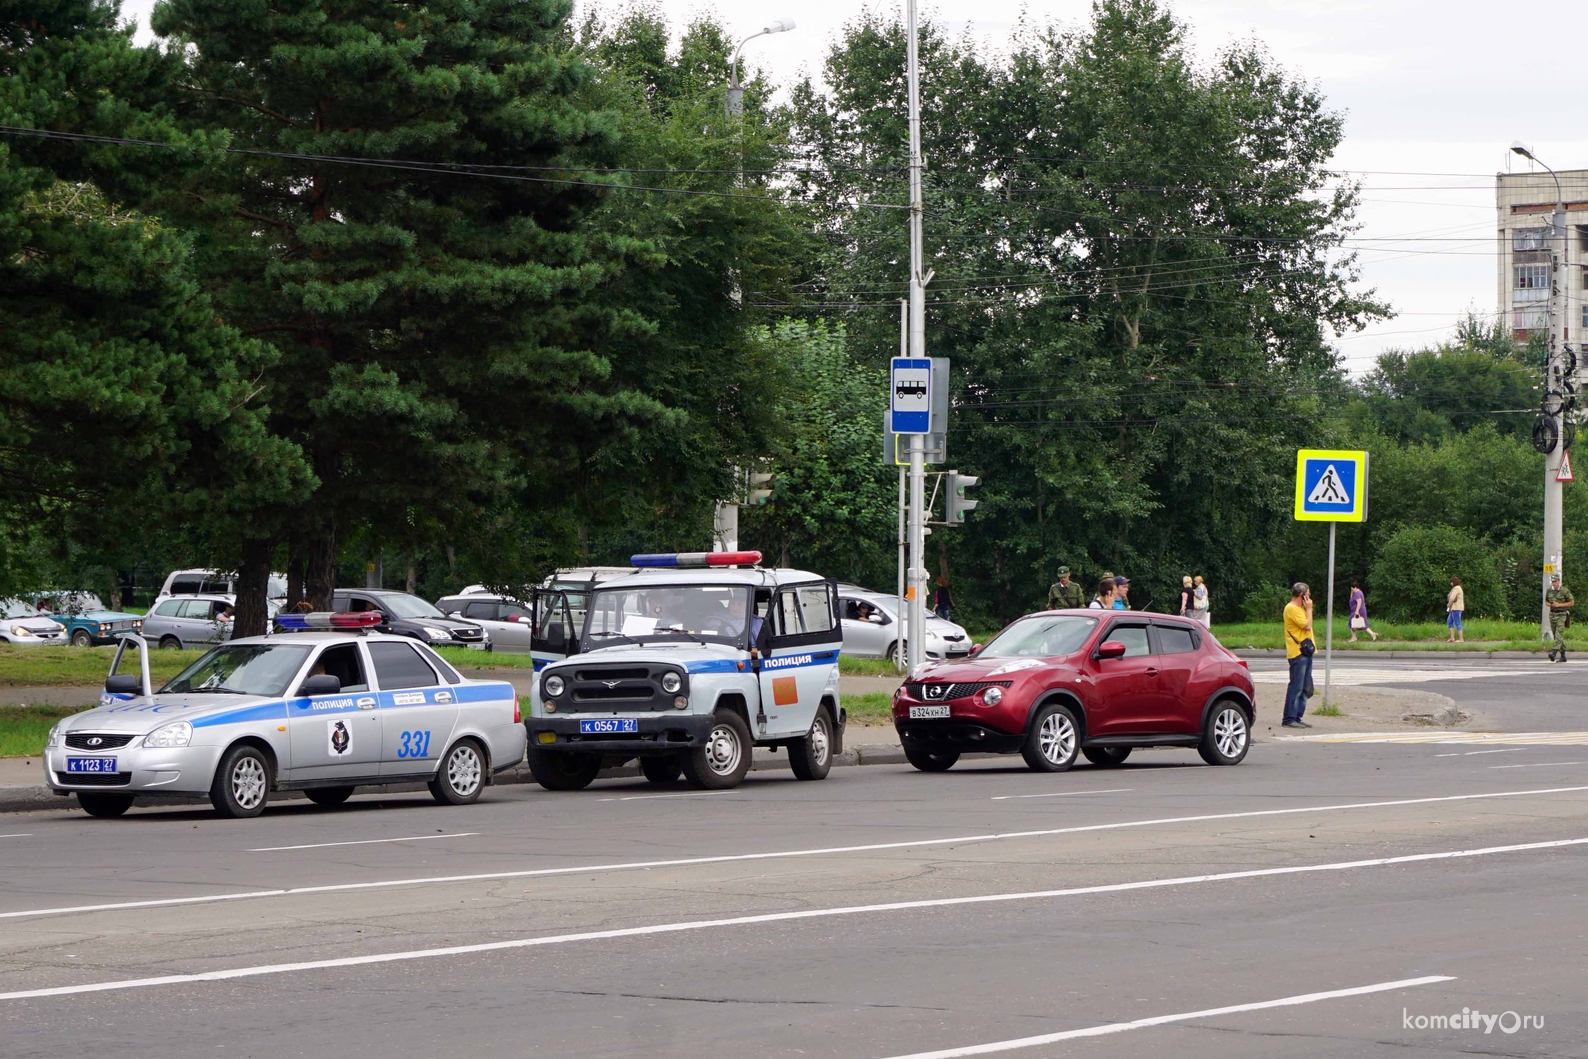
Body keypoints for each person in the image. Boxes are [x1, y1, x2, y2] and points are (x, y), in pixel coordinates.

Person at [1283, 583, 1314, 729]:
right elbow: (1307, 625)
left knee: (1305, 687)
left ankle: (1298, 716)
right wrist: (1309, 609)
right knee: (1296, 686)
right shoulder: (1291, 608)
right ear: (1301, 594)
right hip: (1297, 652)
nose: (1309, 597)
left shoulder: (1300, 608)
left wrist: (1306, 608)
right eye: (1307, 594)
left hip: (1306, 651)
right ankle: (1289, 718)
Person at [1546, 574, 1574, 662]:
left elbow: (1572, 602)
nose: (1554, 583)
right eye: (1552, 581)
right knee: (1556, 635)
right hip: (1552, 614)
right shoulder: (1549, 590)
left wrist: (1559, 605)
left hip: (1561, 614)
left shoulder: (1564, 591)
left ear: (1558, 581)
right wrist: (1550, 605)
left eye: (1555, 581)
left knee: (1559, 633)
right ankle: (1563, 655)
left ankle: (1553, 653)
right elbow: (1546, 601)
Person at [1446, 575, 1465, 643]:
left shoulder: (1456, 588)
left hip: (1456, 608)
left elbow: (1451, 598)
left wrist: (1449, 604)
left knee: (1457, 623)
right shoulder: (1457, 588)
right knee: (1449, 621)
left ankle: (1461, 639)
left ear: (1453, 582)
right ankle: (1452, 638)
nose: (1451, 583)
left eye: (1451, 582)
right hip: (1454, 608)